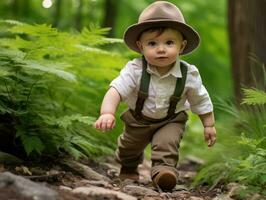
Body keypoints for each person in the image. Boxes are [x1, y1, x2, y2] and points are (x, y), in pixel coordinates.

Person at [94, 1, 216, 191]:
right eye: (152, 43)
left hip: (171, 119)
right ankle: (129, 167)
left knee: (167, 145)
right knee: (129, 148)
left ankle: (163, 173)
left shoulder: (189, 74)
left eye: (169, 42)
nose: (161, 49)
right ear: (140, 46)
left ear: (182, 46)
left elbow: (201, 100)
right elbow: (116, 90)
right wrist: (107, 112)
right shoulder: (135, 69)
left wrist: (208, 124)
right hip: (138, 119)